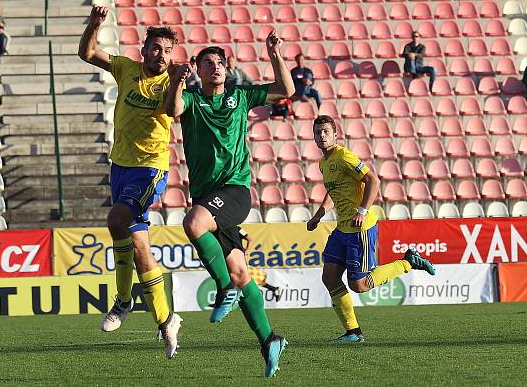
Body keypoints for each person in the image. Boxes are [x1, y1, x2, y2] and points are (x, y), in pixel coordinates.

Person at [164, 30, 294, 378]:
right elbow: (173, 108)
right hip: (209, 197)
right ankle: (270, 340)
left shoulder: (240, 95)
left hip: (235, 191)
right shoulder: (191, 99)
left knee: (193, 224)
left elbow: (286, 90)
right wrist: (178, 80)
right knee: (240, 272)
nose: (216, 68)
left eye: (220, 63)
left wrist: (275, 55)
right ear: (198, 70)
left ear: (226, 68)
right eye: (208, 64)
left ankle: (221, 288)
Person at [78, 5, 182, 359]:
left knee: (115, 220)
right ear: (145, 50)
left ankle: (123, 301)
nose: (162, 55)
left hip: (150, 170)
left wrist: (179, 82)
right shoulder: (126, 69)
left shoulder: (172, 82)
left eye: (168, 50)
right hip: (120, 166)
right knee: (139, 249)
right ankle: (167, 320)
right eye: (157, 48)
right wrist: (93, 25)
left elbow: (171, 112)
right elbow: (88, 53)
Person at [306, 115, 435, 343]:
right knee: (330, 277)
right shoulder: (323, 163)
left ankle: (408, 262)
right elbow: (333, 192)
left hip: (360, 227)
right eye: (318, 132)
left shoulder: (344, 156)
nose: (322, 135)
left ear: (336, 135)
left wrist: (362, 211)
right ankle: (353, 332)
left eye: (326, 131)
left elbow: (373, 180)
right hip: (342, 229)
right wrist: (318, 215)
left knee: (360, 285)